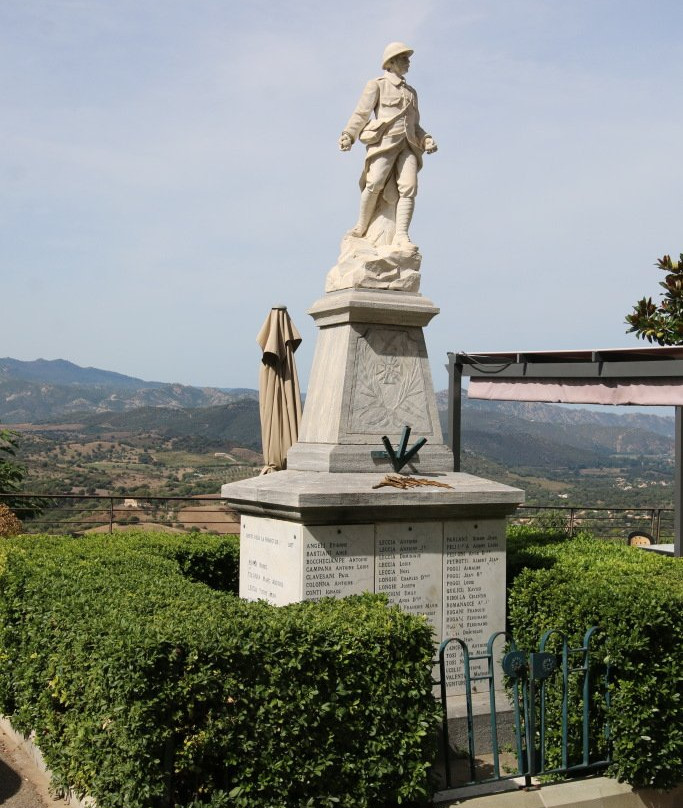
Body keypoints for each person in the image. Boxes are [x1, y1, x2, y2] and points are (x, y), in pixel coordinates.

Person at [339, 42, 437, 247]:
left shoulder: (411, 92)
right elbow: (361, 113)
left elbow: (415, 124)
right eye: (403, 58)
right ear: (390, 62)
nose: (408, 62)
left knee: (409, 188)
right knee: (374, 183)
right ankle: (361, 226)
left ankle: (401, 234)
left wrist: (425, 138)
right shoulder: (377, 84)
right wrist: (349, 134)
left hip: (408, 145)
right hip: (384, 143)